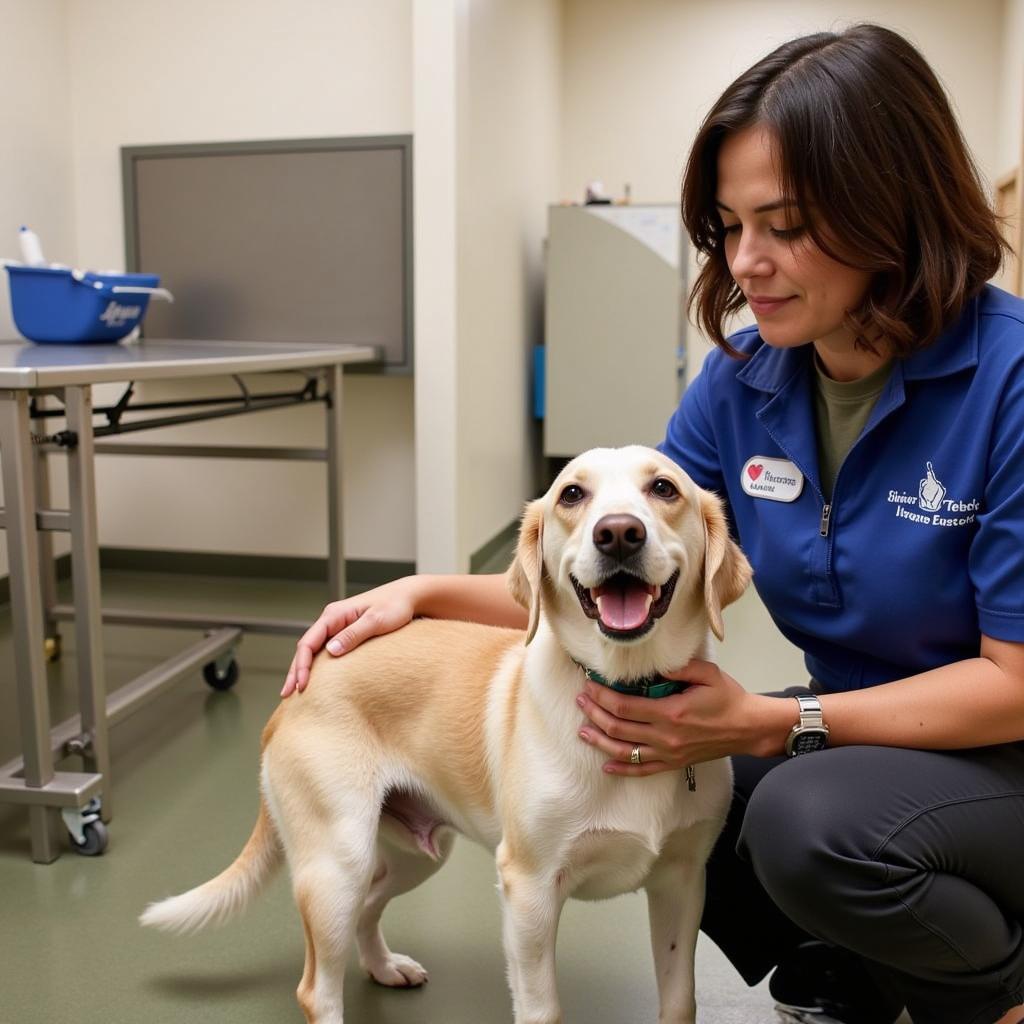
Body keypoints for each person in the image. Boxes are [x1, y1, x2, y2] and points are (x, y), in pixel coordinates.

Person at [280, 24, 1024, 1024]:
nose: (746, 263)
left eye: (786, 223)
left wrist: (780, 721)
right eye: (728, 226)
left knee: (799, 815)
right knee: (685, 772)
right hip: (868, 731)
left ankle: (993, 991)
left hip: (1002, 745)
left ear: (891, 208)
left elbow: (1010, 683)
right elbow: (613, 565)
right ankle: (874, 961)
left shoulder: (1008, 378)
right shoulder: (745, 380)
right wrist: (414, 595)